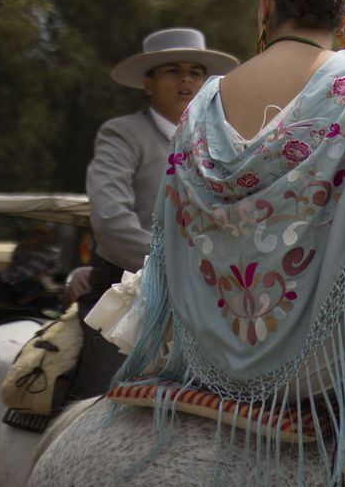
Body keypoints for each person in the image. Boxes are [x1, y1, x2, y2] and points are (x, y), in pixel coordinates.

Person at [109, 0, 345, 487]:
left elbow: (169, 237)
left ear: (264, 6)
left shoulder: (203, 103)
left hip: (203, 355)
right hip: (323, 363)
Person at [66, 26, 237, 398]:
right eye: (173, 71)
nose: (187, 80)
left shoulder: (223, 143)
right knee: (97, 394)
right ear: (148, 84)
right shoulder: (122, 134)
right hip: (126, 293)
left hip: (209, 294)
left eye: (195, 71)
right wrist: (180, 265)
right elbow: (111, 223)